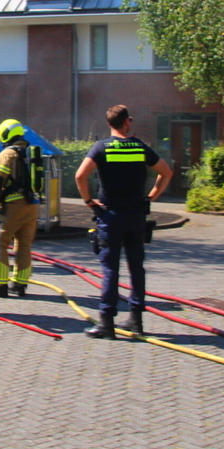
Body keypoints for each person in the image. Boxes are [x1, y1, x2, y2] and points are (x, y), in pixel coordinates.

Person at [75, 105, 172, 338]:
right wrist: (150, 198)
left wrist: (89, 202)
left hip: (110, 216)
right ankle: (136, 321)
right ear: (127, 122)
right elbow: (166, 173)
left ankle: (107, 324)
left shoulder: (101, 147)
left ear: (109, 124)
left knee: (110, 269)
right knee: (136, 268)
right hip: (136, 216)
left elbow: (80, 176)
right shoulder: (140, 147)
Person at [0, 119, 39, 298]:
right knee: (24, 245)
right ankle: (20, 285)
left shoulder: (7, 154)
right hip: (32, 206)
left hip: (13, 207)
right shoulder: (30, 152)